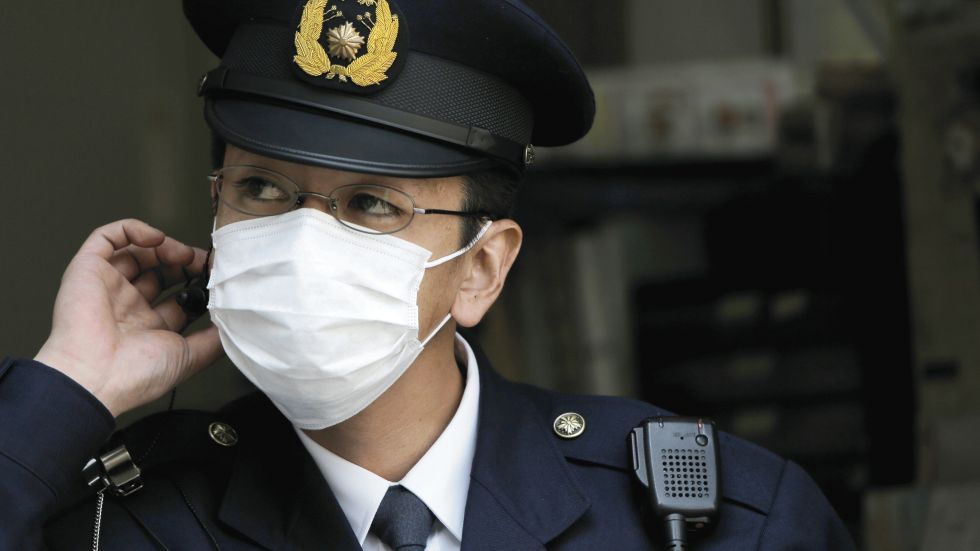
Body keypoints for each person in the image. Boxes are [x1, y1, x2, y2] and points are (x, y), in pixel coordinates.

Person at [0, 1, 857, 549]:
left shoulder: (715, 522)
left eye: (372, 204)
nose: (303, 242)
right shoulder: (119, 521)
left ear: (482, 268)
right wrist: (64, 391)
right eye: (262, 189)